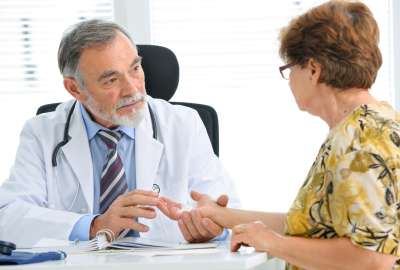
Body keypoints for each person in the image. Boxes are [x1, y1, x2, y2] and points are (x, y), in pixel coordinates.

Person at [171, 1, 399, 269]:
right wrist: (221, 215)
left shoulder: (362, 140)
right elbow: (310, 227)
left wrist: (273, 243)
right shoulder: (360, 127)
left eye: (289, 69)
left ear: (313, 70)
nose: (289, 79)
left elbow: (373, 260)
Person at [0, 19, 239, 247]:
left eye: (135, 68)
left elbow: (229, 213)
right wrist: (94, 226)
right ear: (74, 88)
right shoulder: (41, 133)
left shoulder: (182, 124)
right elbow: (7, 217)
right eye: (111, 80)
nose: (132, 89)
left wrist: (215, 228)